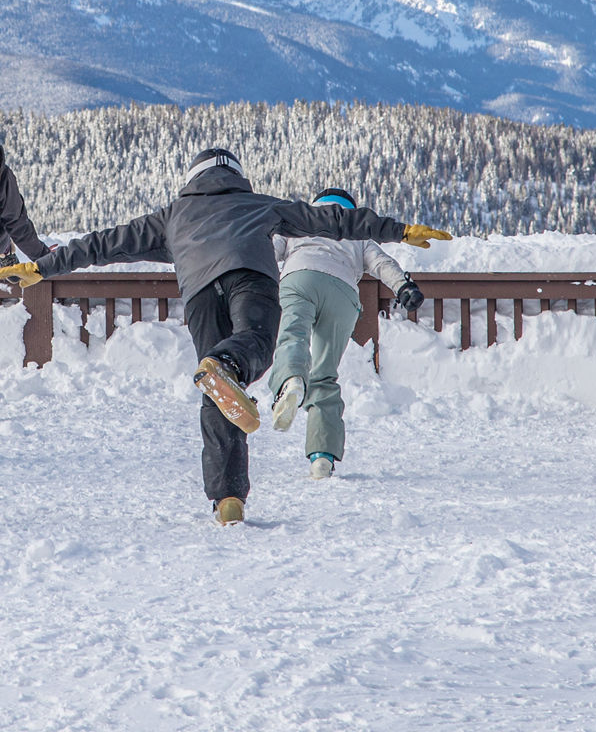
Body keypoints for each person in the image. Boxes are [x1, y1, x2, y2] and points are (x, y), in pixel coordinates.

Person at [5, 148, 451, 525]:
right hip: (250, 279)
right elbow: (332, 219)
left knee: (218, 393)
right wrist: (399, 230)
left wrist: (43, 267)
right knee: (254, 341)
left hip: (199, 293)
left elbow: (104, 243)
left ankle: (227, 498)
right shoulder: (258, 205)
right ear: (237, 177)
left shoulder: (173, 215)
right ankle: (227, 369)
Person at [267, 187, 427, 480]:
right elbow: (382, 264)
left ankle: (290, 380)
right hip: (341, 293)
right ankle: (322, 456)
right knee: (325, 374)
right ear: (351, 207)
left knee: (293, 336)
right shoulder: (358, 231)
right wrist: (405, 287)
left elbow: (266, 251)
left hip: (299, 277)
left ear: (317, 202)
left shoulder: (296, 221)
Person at [0, 145, 51, 268]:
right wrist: (45, 257)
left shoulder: (3, 177)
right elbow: (17, 223)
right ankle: (6, 252)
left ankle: (6, 253)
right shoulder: (3, 177)